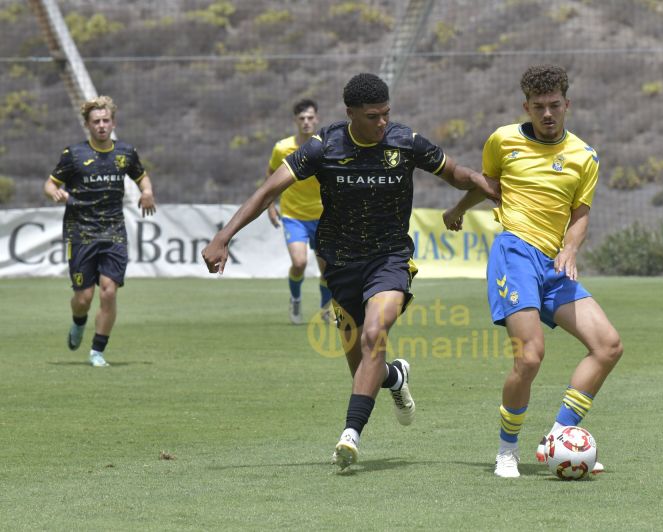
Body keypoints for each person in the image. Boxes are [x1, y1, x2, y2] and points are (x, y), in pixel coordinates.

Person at [202, 73, 499, 470]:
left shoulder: (405, 141)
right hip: (339, 263)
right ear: (351, 114)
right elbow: (268, 191)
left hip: (390, 259)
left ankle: (349, 436)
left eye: (386, 114)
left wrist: (479, 185)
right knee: (364, 367)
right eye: (373, 116)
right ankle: (395, 377)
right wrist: (224, 235)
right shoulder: (324, 146)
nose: (382, 122)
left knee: (375, 334)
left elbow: (454, 172)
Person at [443, 65, 623, 478]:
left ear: (567, 104)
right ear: (526, 106)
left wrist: (571, 249)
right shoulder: (503, 140)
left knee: (608, 346)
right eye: (538, 106)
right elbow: (490, 184)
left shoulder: (584, 156)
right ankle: (507, 450)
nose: (547, 114)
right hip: (516, 254)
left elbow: (580, 215)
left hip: (556, 264)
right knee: (530, 356)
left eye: (554, 105)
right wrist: (458, 209)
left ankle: (558, 437)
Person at [44, 95, 156, 367]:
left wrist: (148, 192)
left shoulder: (125, 153)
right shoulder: (74, 155)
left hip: (114, 231)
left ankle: (97, 351)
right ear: (88, 125)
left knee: (108, 291)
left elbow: (142, 177)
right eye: (96, 121)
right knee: (84, 298)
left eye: (106, 120)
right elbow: (49, 184)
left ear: (113, 122)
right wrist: (55, 193)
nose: (102, 125)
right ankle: (79, 321)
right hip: (80, 232)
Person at [265, 99, 333, 323]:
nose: (306, 122)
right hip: (294, 215)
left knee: (327, 269)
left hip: (324, 216)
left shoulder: (326, 146)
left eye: (310, 118)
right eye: (302, 118)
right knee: (299, 263)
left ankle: (326, 308)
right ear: (295, 121)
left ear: (317, 119)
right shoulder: (282, 148)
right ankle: (295, 300)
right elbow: (271, 175)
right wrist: (270, 206)